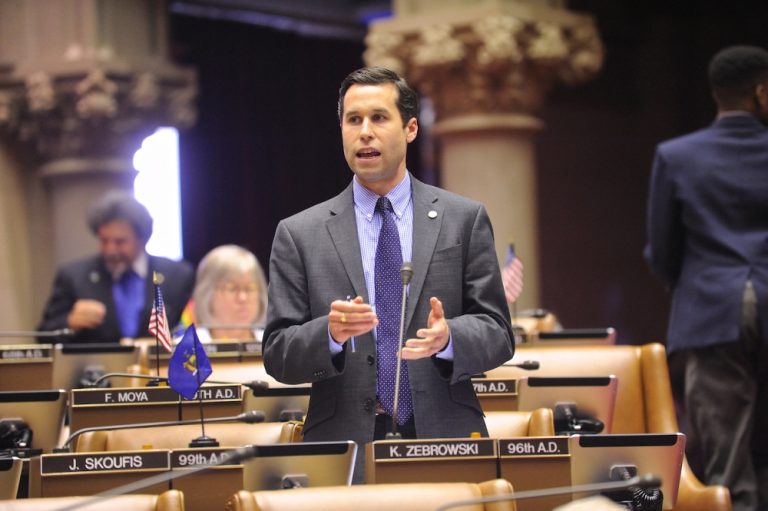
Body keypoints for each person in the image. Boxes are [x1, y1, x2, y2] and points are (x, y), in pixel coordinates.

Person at [263, 66, 514, 482]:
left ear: (411, 128)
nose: (364, 132)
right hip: (343, 447)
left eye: (379, 118)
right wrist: (331, 333)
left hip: (444, 436)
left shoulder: (462, 219)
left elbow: (499, 334)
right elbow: (277, 353)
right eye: (353, 119)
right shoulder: (298, 234)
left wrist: (450, 338)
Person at [644, 45, 768, 511]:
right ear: (760, 92)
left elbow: (663, 250)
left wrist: (698, 285)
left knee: (727, 466)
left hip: (712, 312)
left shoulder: (676, 156)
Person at [38, 191, 195, 344]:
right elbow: (43, 335)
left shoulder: (178, 276)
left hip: (159, 367)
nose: (110, 250)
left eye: (120, 242)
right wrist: (70, 322)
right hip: (97, 369)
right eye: (104, 241)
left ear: (143, 239)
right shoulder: (73, 277)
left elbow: (193, 331)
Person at [189, 244, 267, 342]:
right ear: (206, 294)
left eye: (250, 288)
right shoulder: (186, 349)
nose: (243, 298)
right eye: (232, 289)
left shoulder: (274, 345)